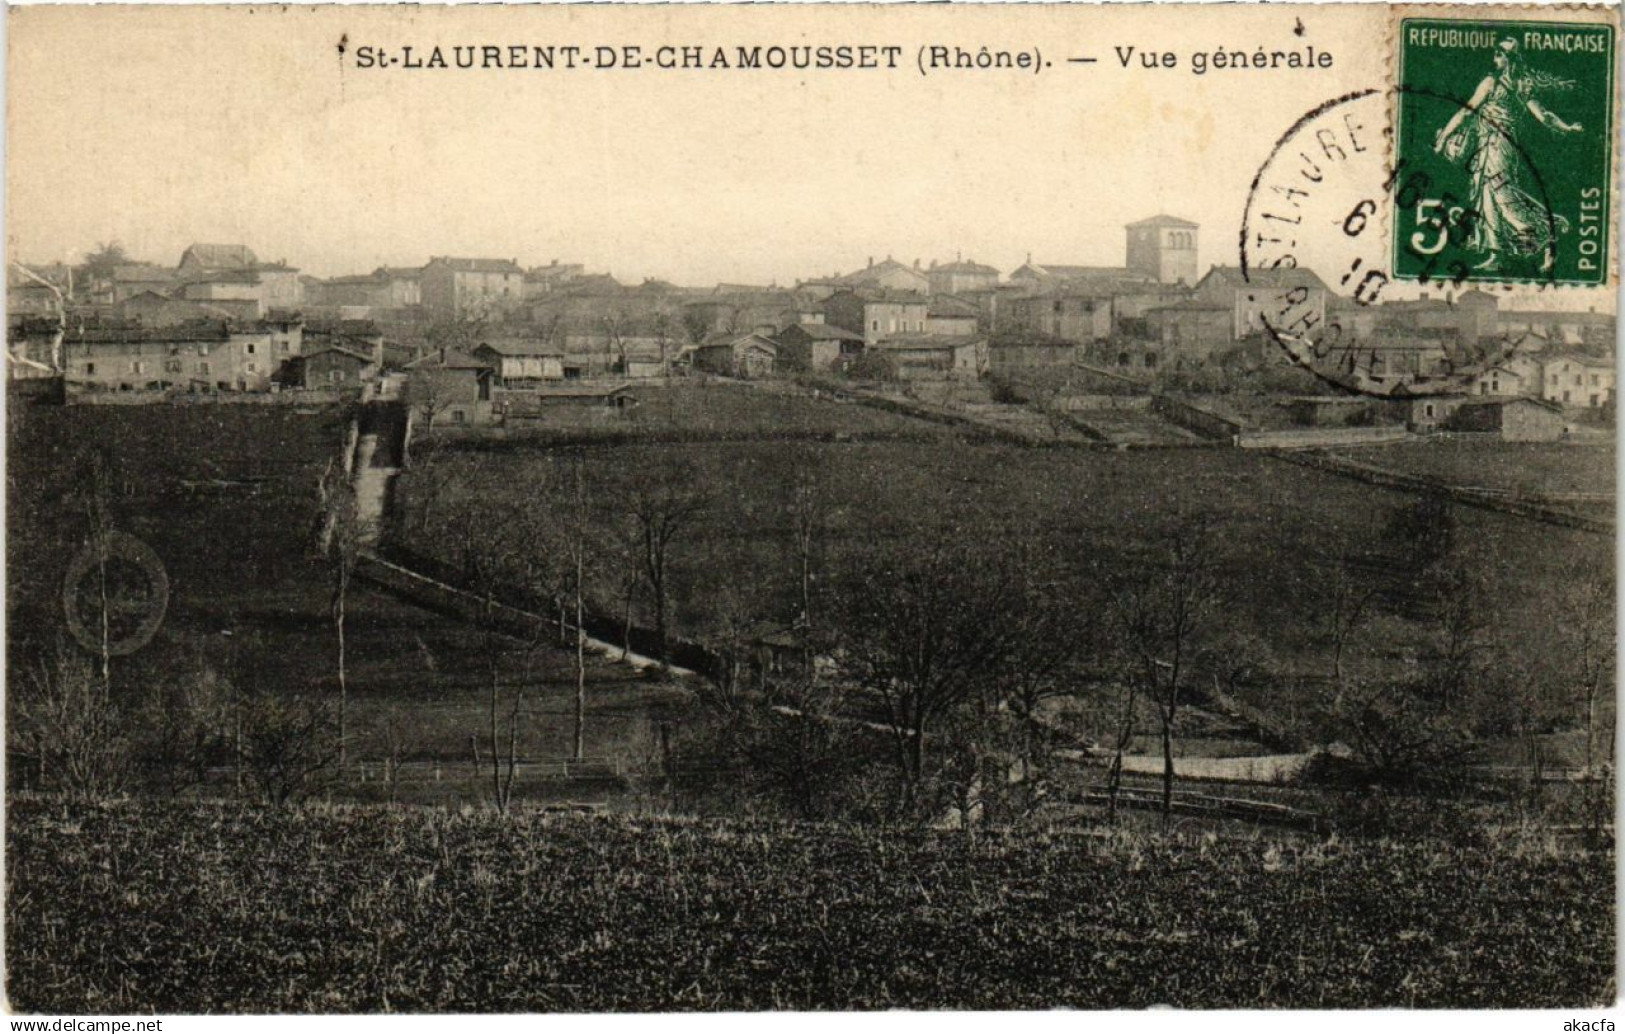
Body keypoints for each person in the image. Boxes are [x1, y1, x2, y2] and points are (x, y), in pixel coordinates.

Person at [1433, 38, 1584, 272]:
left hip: (1498, 144)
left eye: (1499, 54)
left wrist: (1444, 137)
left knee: (1502, 194)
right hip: (1488, 144)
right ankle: (1497, 253)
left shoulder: (1492, 83)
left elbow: (1466, 111)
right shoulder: (1521, 84)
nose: (1495, 58)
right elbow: (1544, 116)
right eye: (1496, 53)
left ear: (1508, 58)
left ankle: (1545, 231)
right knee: (1486, 196)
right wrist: (1566, 127)